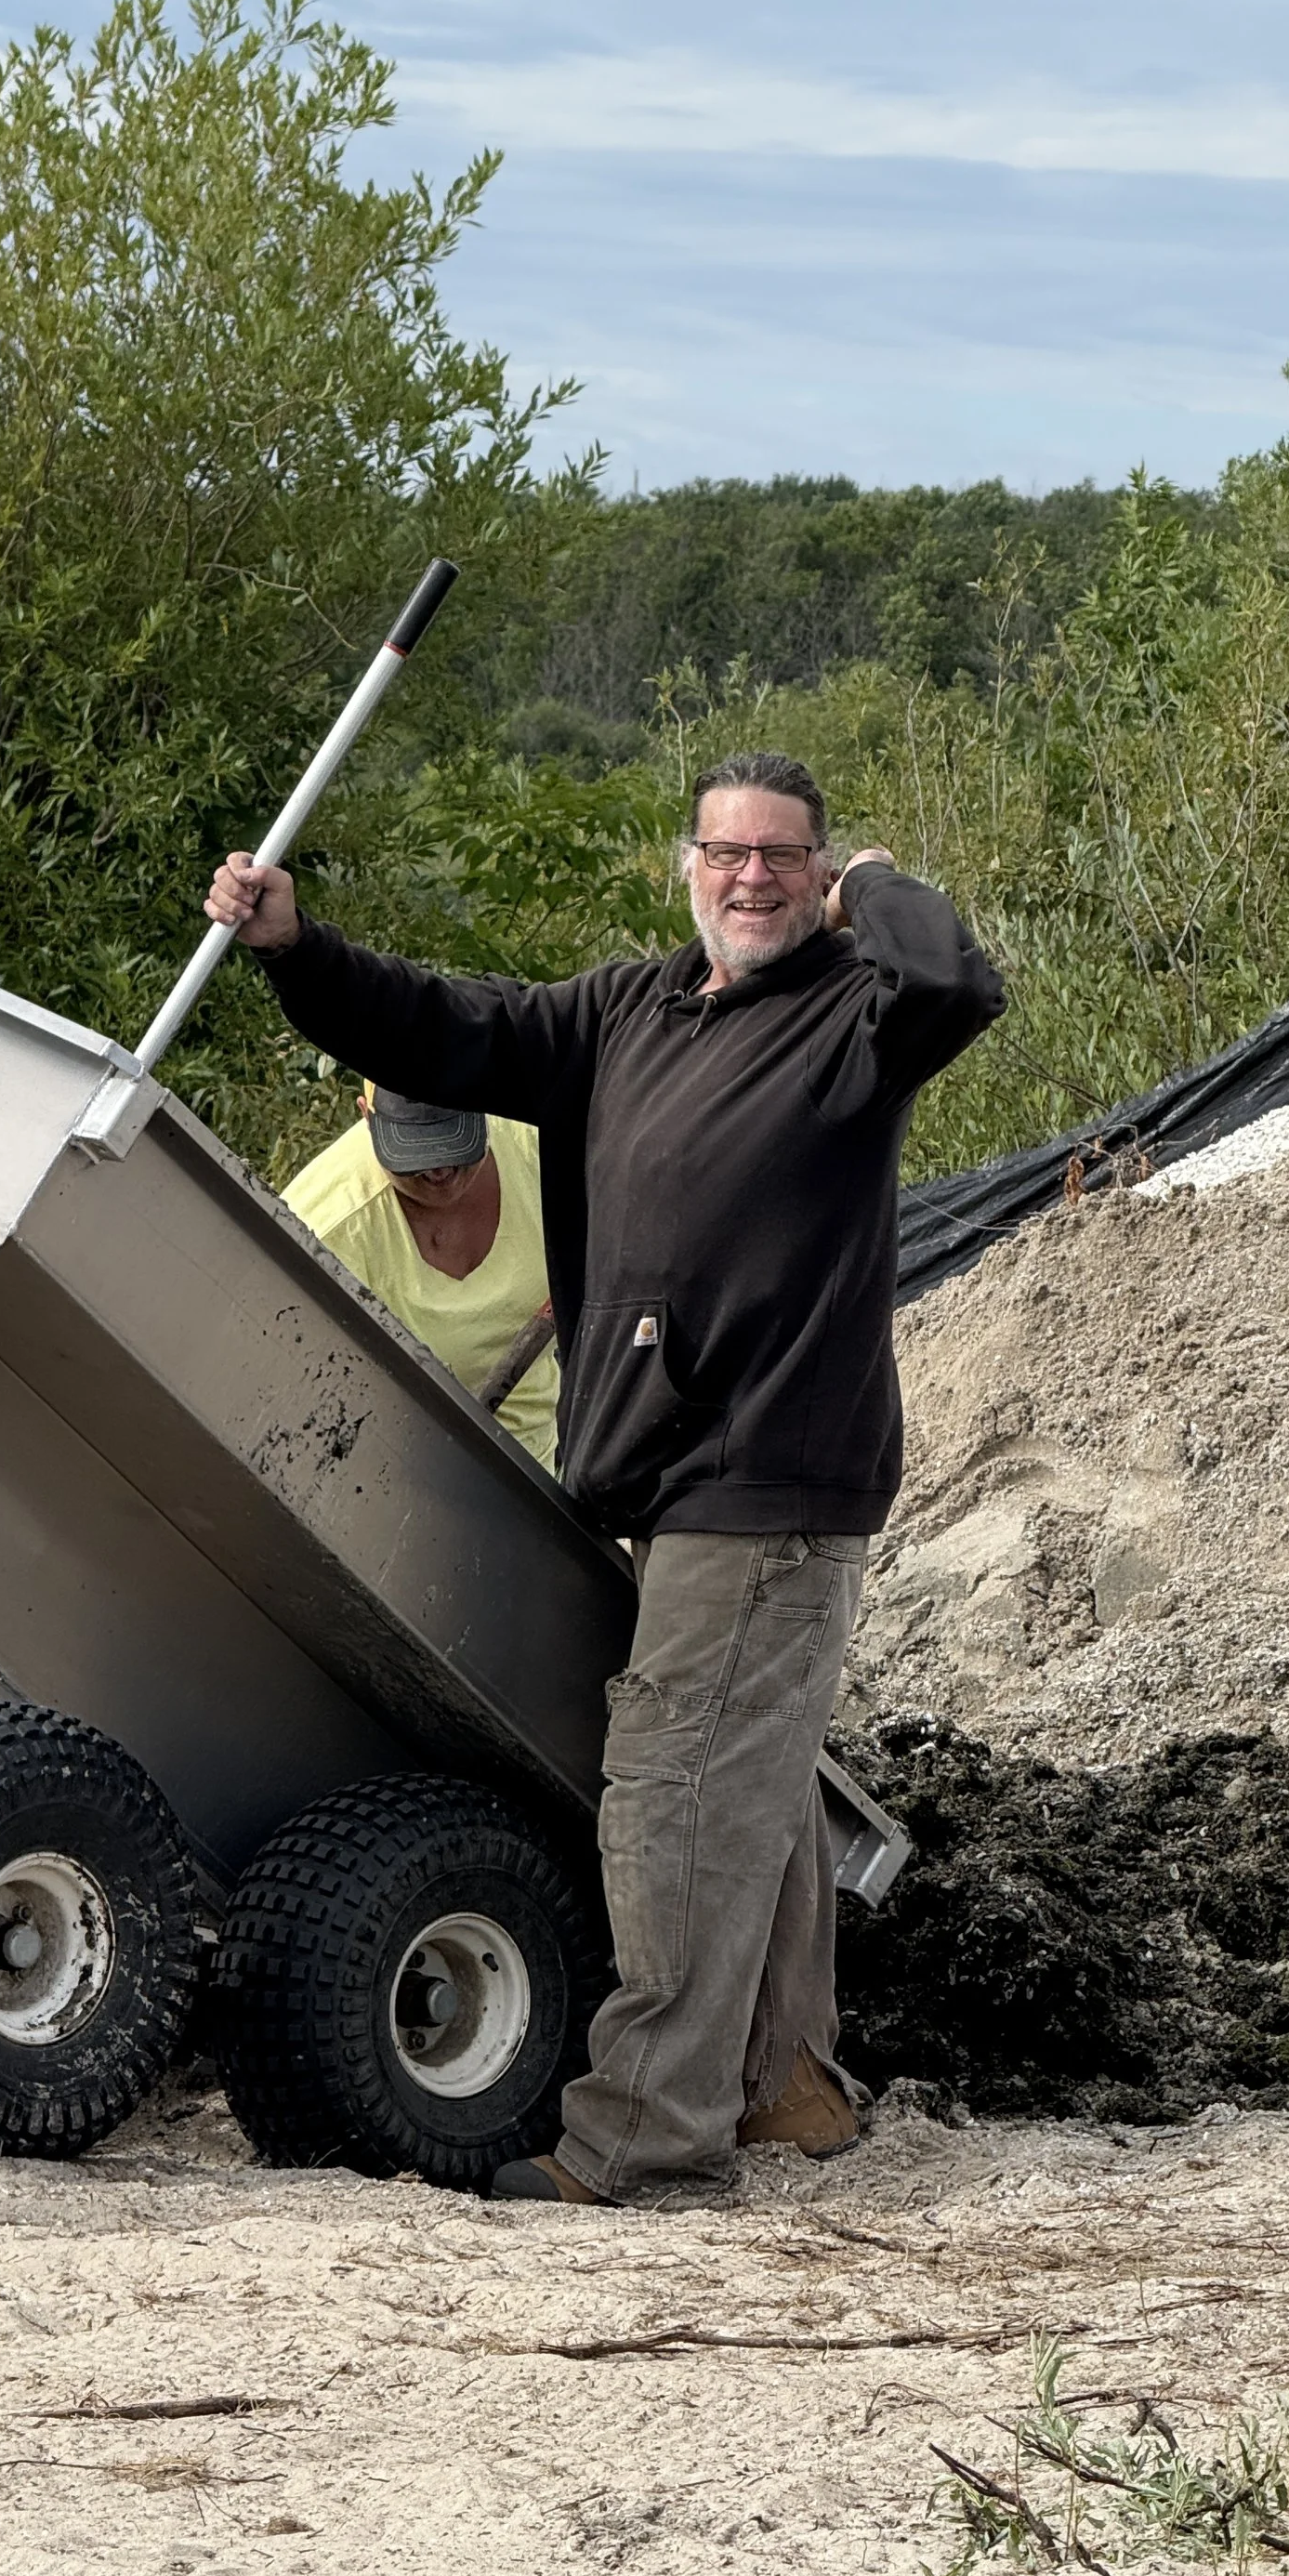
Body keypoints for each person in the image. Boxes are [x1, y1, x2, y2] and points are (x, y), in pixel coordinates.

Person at [205, 749, 1003, 2204]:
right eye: (725, 852)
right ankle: (785, 2085)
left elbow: (958, 981)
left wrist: (881, 885)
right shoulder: (623, 1012)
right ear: (683, 868)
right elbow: (445, 1028)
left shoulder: (858, 1016)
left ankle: (644, 2135)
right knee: (744, 1790)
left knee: (675, 1797)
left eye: (784, 856)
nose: (750, 876)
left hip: (769, 1475)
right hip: (664, 1471)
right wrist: (296, 950)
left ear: (822, 878)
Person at [282, 1086, 559, 1471]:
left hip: (536, 1467)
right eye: (415, 1149)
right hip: (390, 1474)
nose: (439, 1170)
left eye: (454, 1140)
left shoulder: (542, 1147)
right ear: (367, 1117)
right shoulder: (321, 1235)